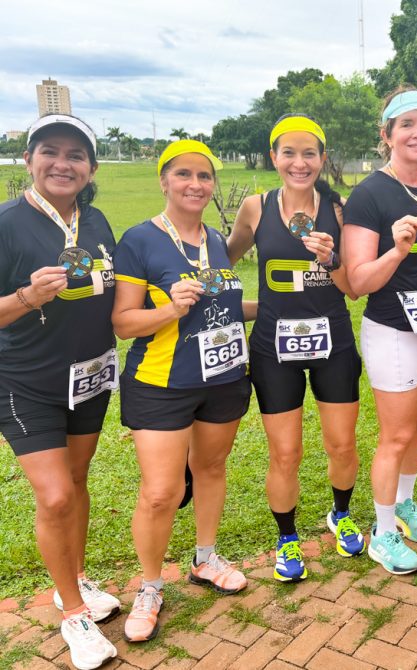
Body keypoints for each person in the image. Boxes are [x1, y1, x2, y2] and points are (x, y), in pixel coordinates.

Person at [112, 140, 253, 642]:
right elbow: (124, 322)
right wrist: (170, 309)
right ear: (164, 181)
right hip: (161, 384)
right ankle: (150, 586)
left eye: (204, 176)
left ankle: (204, 558)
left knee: (211, 468)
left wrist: (284, 304)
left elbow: (225, 305)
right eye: (184, 175)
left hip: (224, 378)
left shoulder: (215, 239)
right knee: (160, 493)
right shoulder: (140, 240)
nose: (196, 184)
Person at [0, 114, 118, 669]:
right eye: (50, 151)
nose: (62, 164)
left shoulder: (96, 224)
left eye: (75, 155)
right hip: (24, 383)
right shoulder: (6, 224)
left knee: (76, 482)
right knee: (54, 496)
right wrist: (25, 297)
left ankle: (74, 578)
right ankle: (73, 612)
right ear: (30, 160)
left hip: (89, 377)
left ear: (90, 168)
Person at [227, 114, 364, 582]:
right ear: (274, 157)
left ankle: (340, 513)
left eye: (310, 153)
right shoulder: (255, 207)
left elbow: (352, 288)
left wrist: (331, 257)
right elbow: (223, 259)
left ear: (323, 159)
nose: (299, 163)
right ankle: (287, 538)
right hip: (272, 349)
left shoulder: (340, 209)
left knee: (342, 444)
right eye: (289, 152)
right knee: (285, 453)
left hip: (334, 344)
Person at [343, 87, 417, 575]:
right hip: (392, 329)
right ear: (386, 135)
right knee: (395, 434)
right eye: (406, 124)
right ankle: (382, 533)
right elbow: (359, 282)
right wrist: (398, 250)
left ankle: (404, 507)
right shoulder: (369, 194)